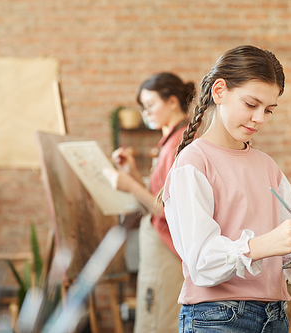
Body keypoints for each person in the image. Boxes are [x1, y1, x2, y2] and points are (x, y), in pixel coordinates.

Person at [162, 45, 291, 333]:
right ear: (219, 91)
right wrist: (267, 243)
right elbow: (202, 263)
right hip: (217, 318)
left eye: (269, 110)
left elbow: (279, 254)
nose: (260, 118)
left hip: (275, 315)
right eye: (251, 104)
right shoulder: (193, 162)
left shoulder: (268, 166)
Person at [104, 72, 195, 333]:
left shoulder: (181, 142)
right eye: (143, 108)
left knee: (158, 320)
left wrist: (130, 185)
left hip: (167, 250)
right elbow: (157, 196)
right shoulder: (170, 140)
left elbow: (170, 210)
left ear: (173, 101)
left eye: (151, 105)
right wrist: (133, 172)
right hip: (161, 246)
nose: (147, 113)